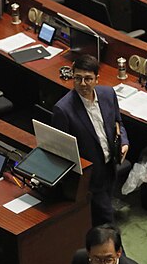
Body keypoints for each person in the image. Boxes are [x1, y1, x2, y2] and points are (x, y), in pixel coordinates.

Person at [52, 54, 129, 226]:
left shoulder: (108, 94)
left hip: (111, 166)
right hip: (91, 177)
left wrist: (124, 142)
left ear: (97, 79)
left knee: (102, 213)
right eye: (78, 78)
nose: (82, 84)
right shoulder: (63, 110)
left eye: (88, 79)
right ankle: (117, 253)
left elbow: (119, 123)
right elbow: (63, 151)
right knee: (107, 221)